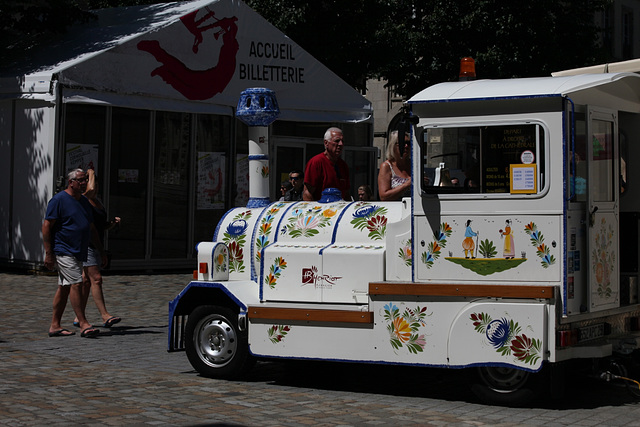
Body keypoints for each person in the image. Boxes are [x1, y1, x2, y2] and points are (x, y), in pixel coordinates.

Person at [43, 169, 106, 338]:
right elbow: (47, 225)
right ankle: (83, 323)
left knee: (64, 287)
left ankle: (55, 325)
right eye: (80, 180)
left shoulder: (84, 201)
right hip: (64, 250)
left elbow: (91, 229)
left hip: (79, 250)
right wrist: (49, 253)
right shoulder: (59, 200)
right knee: (77, 283)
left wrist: (101, 250)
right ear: (70, 182)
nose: (84, 182)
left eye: (85, 179)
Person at [74, 169, 122, 329]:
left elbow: (101, 226)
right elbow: (91, 190)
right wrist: (91, 171)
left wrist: (111, 224)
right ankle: (105, 315)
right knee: (96, 279)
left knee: (86, 281)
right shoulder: (84, 199)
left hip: (96, 243)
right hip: (87, 244)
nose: (95, 186)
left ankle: (78, 316)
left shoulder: (98, 201)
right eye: (91, 182)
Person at [303, 127, 351, 201]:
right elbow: (307, 193)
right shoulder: (316, 162)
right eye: (337, 141)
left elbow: (346, 194)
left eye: (342, 141)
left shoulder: (343, 165)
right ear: (326, 143)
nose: (341, 144)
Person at [377, 130, 411, 201]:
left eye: (408, 143)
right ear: (393, 146)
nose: (406, 146)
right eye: (402, 143)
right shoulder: (386, 166)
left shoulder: (413, 165)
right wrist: (406, 185)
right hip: (395, 209)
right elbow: (384, 197)